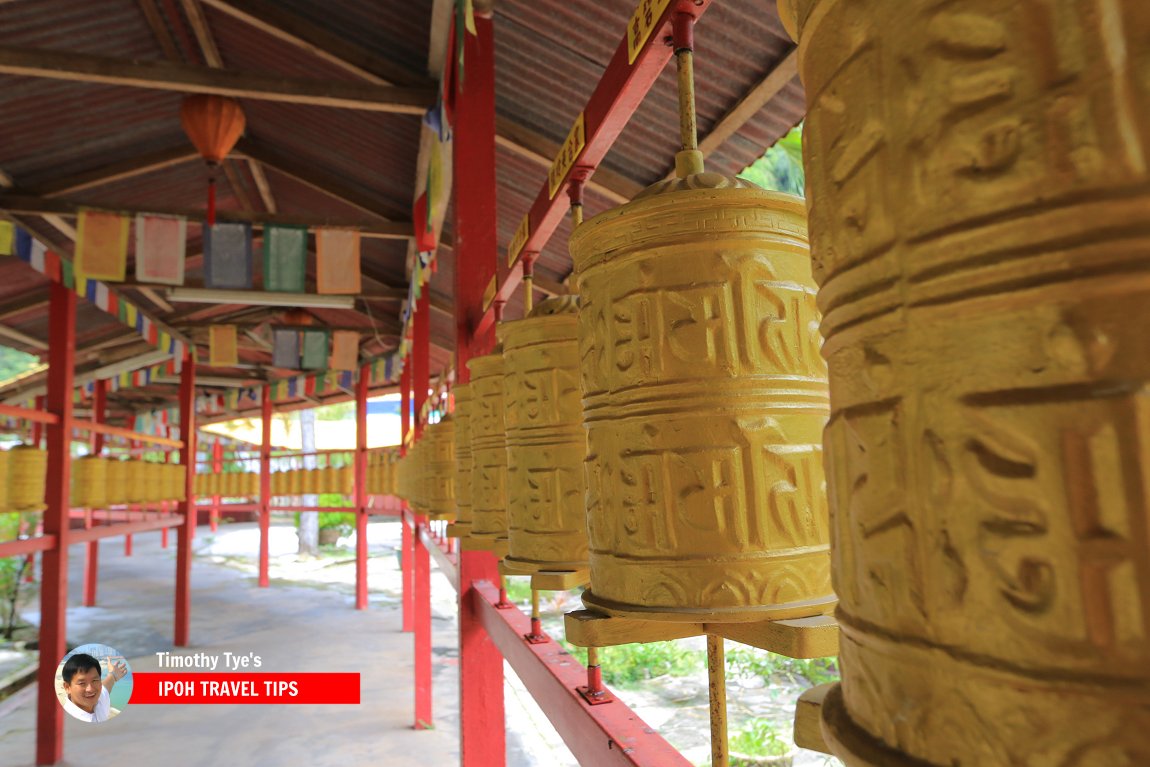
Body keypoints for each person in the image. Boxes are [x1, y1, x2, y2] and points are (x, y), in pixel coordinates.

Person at [59, 653, 127, 723]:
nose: (90, 689)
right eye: (82, 683)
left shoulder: (100, 699)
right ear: (67, 687)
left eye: (94, 680)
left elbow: (106, 685)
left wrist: (113, 674)